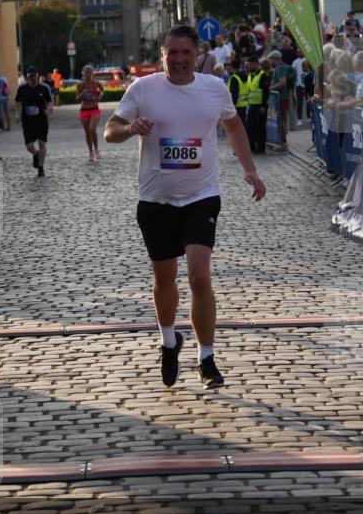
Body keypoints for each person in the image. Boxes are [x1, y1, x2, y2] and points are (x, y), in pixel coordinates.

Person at [103, 24, 266, 390]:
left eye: (185, 53)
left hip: (201, 196)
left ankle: (206, 358)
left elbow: (234, 126)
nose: (178, 59)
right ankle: (168, 340)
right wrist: (130, 130)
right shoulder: (143, 89)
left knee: (199, 277)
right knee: (164, 280)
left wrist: (250, 170)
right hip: (155, 200)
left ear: (197, 55)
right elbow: (109, 130)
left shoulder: (214, 89)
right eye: (171, 53)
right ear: (161, 55)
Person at [14, 65, 52, 176]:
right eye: (30, 76)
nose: (32, 78)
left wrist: (49, 109)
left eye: (34, 76)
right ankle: (35, 154)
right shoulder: (22, 88)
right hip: (27, 121)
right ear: (27, 77)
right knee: (29, 146)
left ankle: (41, 167)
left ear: (38, 76)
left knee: (42, 143)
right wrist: (17, 115)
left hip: (41, 120)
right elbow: (16, 102)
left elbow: (50, 101)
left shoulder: (44, 88)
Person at [76, 64, 105, 161]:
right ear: (83, 74)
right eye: (86, 73)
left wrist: (100, 96)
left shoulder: (96, 84)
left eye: (90, 73)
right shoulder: (80, 85)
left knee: (92, 129)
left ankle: (96, 149)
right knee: (87, 133)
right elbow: (77, 99)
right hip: (84, 111)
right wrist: (81, 94)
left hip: (94, 109)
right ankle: (91, 152)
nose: (88, 75)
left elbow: (102, 91)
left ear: (92, 73)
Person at [245, 55, 270, 153]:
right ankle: (251, 146)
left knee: (260, 127)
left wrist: (263, 105)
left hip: (260, 106)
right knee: (250, 126)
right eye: (248, 64)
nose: (249, 66)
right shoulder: (251, 75)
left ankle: (261, 147)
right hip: (252, 105)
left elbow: (265, 91)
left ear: (256, 63)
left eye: (250, 64)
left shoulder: (262, 75)